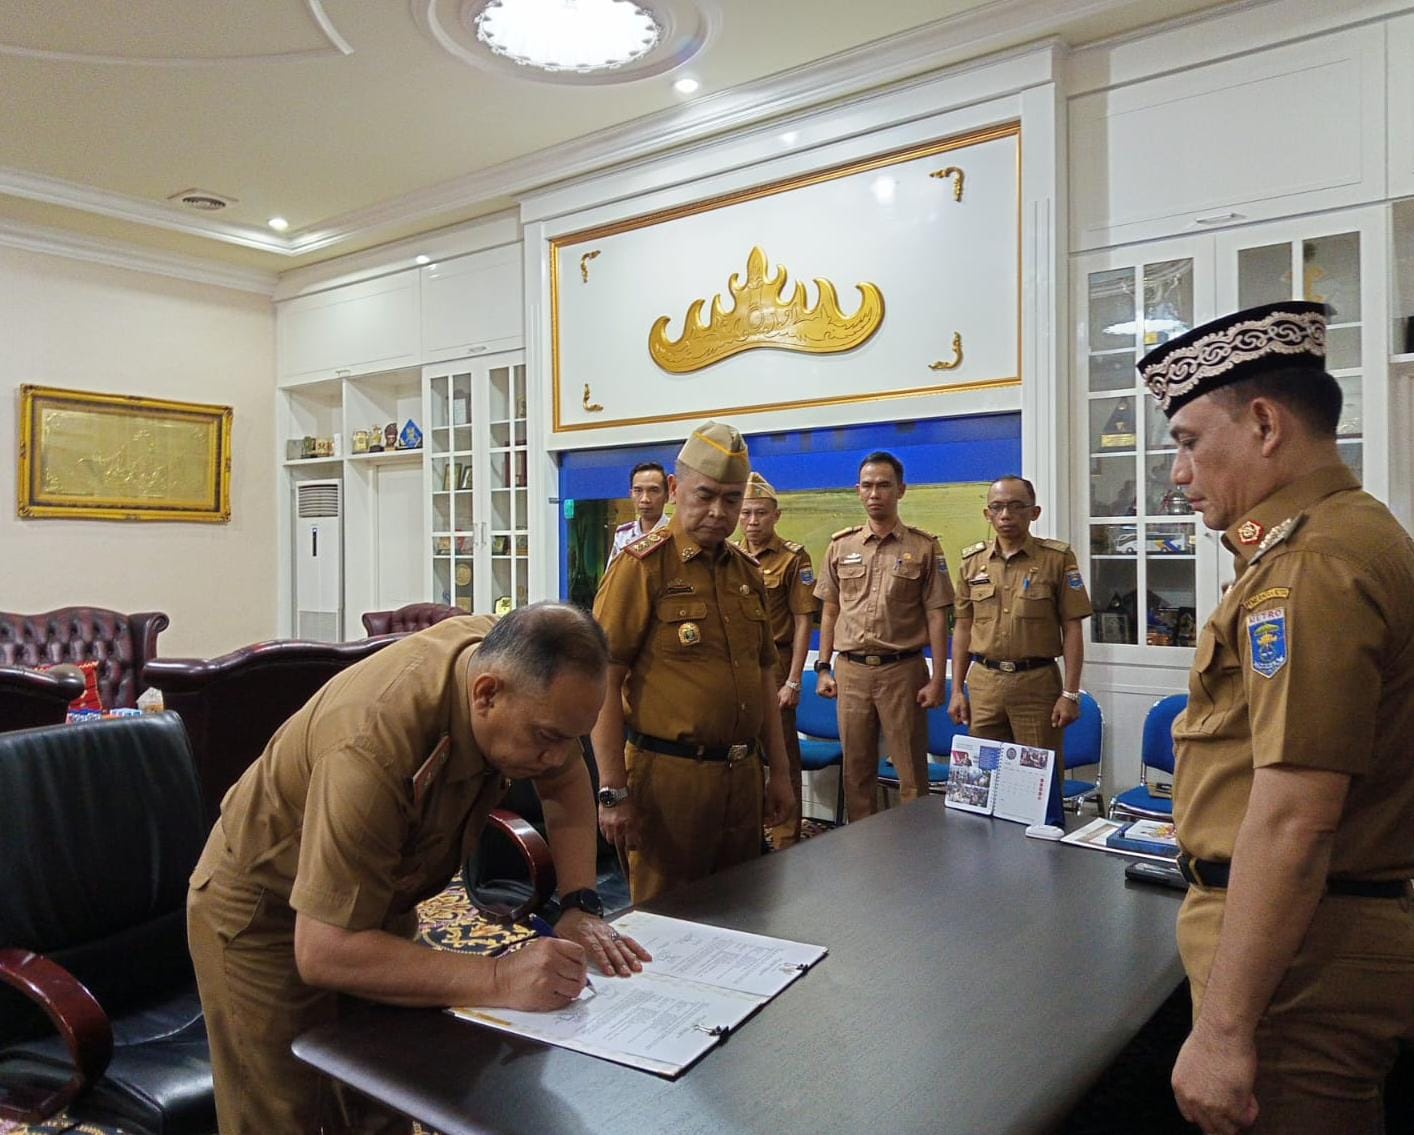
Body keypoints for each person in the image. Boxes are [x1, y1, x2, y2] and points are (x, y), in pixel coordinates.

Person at [187, 604, 650, 1134]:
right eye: (547, 738)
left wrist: (578, 905)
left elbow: (564, 780)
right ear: (485, 695)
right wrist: (498, 976)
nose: (558, 756)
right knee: (283, 1110)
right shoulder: (372, 742)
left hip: (380, 895)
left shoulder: (522, 679)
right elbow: (324, 950)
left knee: (387, 1089)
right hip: (263, 912)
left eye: (573, 737)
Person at [1139, 300, 1414, 1135]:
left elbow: (1295, 819)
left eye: (1188, 441)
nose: (1177, 474)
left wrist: (1223, 1032)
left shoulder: (1316, 565)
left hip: (1303, 962)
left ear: (1263, 423)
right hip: (1302, 941)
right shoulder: (1328, 540)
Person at [590, 421, 794, 903]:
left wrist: (780, 773)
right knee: (669, 923)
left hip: (742, 779)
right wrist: (612, 791)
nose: (719, 512)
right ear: (677, 489)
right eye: (705, 496)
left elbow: (765, 675)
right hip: (668, 783)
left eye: (731, 499)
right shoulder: (642, 567)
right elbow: (602, 679)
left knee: (745, 911)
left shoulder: (746, 572)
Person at [813, 451, 953, 822]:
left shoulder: (923, 547)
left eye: (884, 485)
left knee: (910, 773)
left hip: (902, 672)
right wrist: (824, 668)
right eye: (868, 485)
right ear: (858, 491)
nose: (875, 493)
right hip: (851, 672)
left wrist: (938, 679)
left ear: (901, 490)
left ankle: (913, 850)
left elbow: (938, 615)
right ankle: (864, 857)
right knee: (856, 771)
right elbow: (829, 610)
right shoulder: (840, 546)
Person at [948, 475, 1091, 826]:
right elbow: (963, 628)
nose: (1006, 515)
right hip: (983, 684)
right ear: (987, 514)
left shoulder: (1056, 559)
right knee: (979, 787)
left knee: (1038, 788)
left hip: (1036, 685)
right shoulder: (972, 563)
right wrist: (956, 689)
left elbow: (1072, 627)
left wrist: (1070, 693)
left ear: (1034, 512)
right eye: (997, 507)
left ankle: (1042, 869)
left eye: (1016, 506)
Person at [732, 470, 818, 848]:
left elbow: (803, 623)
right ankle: (750, 830)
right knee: (742, 754)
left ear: (776, 515)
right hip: (736, 668)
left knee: (781, 753)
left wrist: (794, 680)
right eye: (746, 513)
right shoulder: (730, 556)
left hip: (777, 664)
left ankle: (785, 835)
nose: (752, 522)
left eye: (761, 513)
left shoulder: (792, 558)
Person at [605, 461, 670, 569]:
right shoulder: (623, 534)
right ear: (631, 495)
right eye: (638, 491)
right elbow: (612, 577)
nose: (645, 499)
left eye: (653, 491)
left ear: (667, 496)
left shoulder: (677, 532)